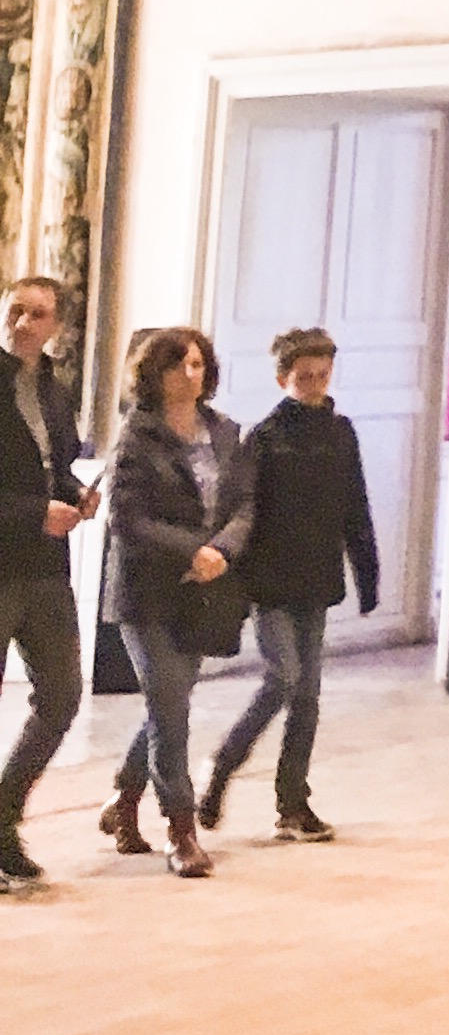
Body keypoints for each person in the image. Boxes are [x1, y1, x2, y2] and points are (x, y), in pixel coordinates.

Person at [203, 325, 378, 845]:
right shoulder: (266, 437)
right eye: (304, 377)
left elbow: (355, 506)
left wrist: (367, 574)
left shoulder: (342, 432)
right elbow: (243, 511)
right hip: (271, 580)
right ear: (283, 378)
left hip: (316, 578)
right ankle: (221, 769)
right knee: (283, 678)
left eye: (323, 375)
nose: (315, 385)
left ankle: (292, 803)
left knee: (308, 696)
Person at [100, 326, 253, 880]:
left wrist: (222, 550)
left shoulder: (226, 432)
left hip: (204, 591)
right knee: (171, 704)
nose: (189, 375)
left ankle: (123, 799)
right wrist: (197, 548)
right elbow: (127, 520)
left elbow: (244, 506)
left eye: (196, 364)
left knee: (170, 702)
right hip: (147, 593)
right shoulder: (137, 436)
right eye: (176, 365)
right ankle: (181, 830)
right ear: (154, 374)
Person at [0, 270, 95, 886]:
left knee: (61, 694)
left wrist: (76, 495)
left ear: (55, 325)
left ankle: (3, 816)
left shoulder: (56, 389)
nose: (22, 323)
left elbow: (54, 467)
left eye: (37, 314)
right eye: (14, 310)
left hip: (45, 570)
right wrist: (39, 511)